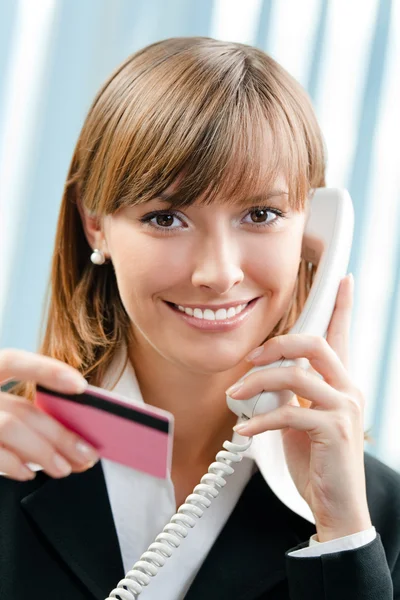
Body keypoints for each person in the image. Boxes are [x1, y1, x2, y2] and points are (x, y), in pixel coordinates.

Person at [0, 36, 399, 600]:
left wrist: (342, 541)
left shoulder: (376, 519)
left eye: (261, 214)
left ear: (315, 233)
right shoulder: (11, 448)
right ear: (96, 225)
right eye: (166, 218)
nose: (218, 272)